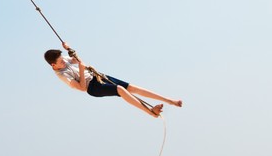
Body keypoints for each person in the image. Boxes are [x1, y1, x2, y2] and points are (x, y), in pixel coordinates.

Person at [44, 43, 181, 118]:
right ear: (53, 65)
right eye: (60, 62)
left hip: (97, 76)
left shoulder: (63, 61)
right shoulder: (62, 75)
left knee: (132, 88)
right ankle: (151, 112)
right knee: (120, 90)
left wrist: (68, 49)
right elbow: (81, 88)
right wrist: (80, 68)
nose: (64, 62)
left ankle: (169, 100)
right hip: (92, 88)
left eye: (63, 59)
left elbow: (75, 60)